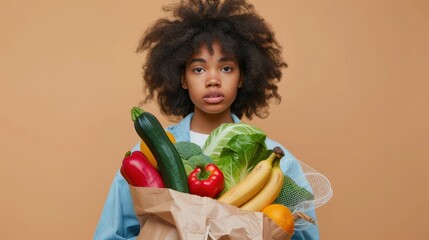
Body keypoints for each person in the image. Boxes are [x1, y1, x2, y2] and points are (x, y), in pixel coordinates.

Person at [94, 0, 320, 239]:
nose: (213, 79)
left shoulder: (277, 161)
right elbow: (112, 233)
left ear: (243, 77)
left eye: (226, 68)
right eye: (199, 69)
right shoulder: (147, 156)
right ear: (182, 78)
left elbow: (302, 233)